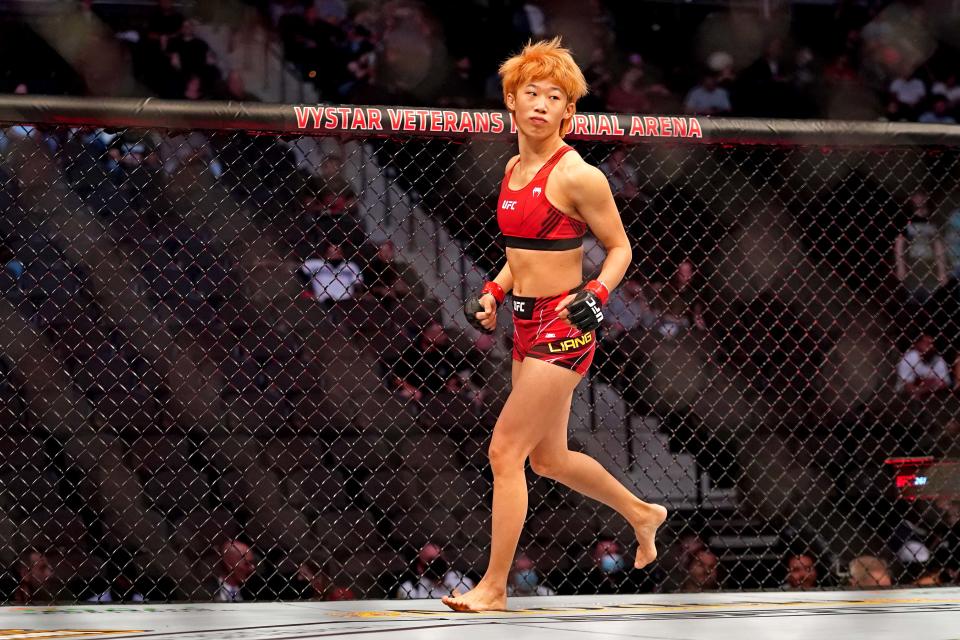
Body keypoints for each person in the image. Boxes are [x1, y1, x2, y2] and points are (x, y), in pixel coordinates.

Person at [444, 37, 667, 613]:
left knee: (504, 451)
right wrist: (495, 289)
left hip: (565, 323)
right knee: (547, 458)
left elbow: (620, 249)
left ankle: (494, 586)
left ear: (569, 111)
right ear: (511, 103)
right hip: (523, 319)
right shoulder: (514, 167)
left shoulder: (579, 176)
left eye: (554, 97)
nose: (541, 104)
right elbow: (521, 252)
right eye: (531, 93)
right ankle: (643, 513)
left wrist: (596, 293)